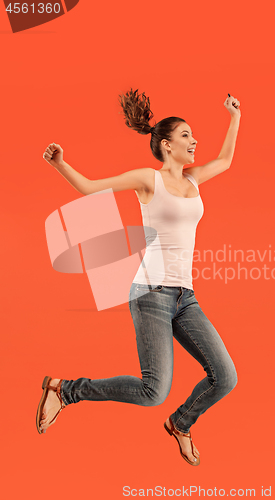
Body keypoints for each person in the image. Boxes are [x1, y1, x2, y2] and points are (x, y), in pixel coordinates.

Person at [37, 88, 241, 466]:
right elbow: (91, 188)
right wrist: (60, 165)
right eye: (186, 136)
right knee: (153, 391)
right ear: (166, 145)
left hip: (185, 297)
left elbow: (226, 160)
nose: (194, 141)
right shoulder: (149, 180)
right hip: (151, 293)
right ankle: (64, 390)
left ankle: (181, 423)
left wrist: (234, 116)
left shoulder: (193, 180)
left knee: (225, 377)